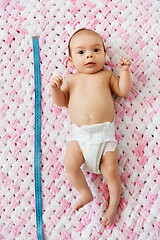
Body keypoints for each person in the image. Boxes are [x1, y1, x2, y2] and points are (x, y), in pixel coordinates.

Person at [50, 28, 131, 226]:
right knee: (70, 163)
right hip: (81, 137)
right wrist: (55, 89)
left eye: (96, 50)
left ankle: (113, 204)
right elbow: (61, 102)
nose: (89, 56)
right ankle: (85, 192)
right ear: (70, 61)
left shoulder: (107, 76)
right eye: (81, 52)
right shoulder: (71, 80)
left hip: (104, 136)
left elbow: (123, 91)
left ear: (104, 54)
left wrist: (125, 72)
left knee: (111, 170)